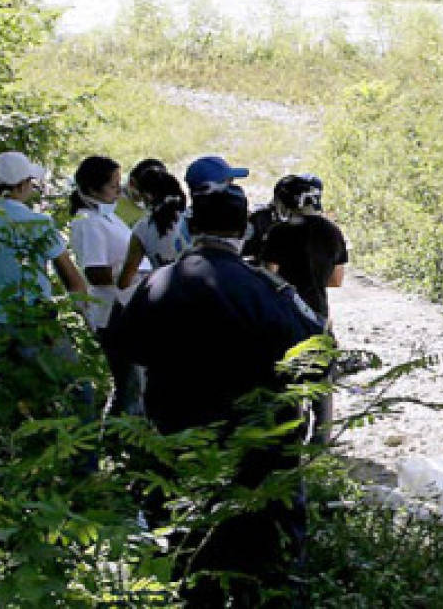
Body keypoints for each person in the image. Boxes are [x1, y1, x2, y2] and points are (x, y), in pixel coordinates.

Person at [104, 181, 324, 606]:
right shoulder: (269, 289)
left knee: (187, 540)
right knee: (269, 546)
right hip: (259, 440)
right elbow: (316, 351)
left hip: (179, 433)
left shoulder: (158, 285)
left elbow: (126, 349)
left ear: (190, 225)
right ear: (244, 230)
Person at [0, 152, 88, 386]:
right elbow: (73, 280)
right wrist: (86, 315)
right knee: (76, 390)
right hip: (36, 324)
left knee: (15, 401)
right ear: (20, 186)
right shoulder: (37, 223)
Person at [261, 173, 348, 443]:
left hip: (285, 314)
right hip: (319, 313)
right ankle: (321, 443)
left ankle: (289, 442)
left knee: (286, 382)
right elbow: (336, 280)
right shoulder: (332, 231)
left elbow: (269, 274)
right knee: (321, 381)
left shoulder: (279, 232)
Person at [69, 155, 145, 414]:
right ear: (92, 190)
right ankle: (120, 437)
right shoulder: (88, 222)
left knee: (131, 379)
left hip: (125, 302)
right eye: (113, 186)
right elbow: (94, 271)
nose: (119, 190)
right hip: (112, 308)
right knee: (128, 380)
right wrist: (133, 275)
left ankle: (121, 434)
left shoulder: (106, 216)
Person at [117, 165, 190, 288]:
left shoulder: (143, 228)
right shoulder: (193, 217)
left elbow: (124, 281)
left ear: (146, 196)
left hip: (168, 292)